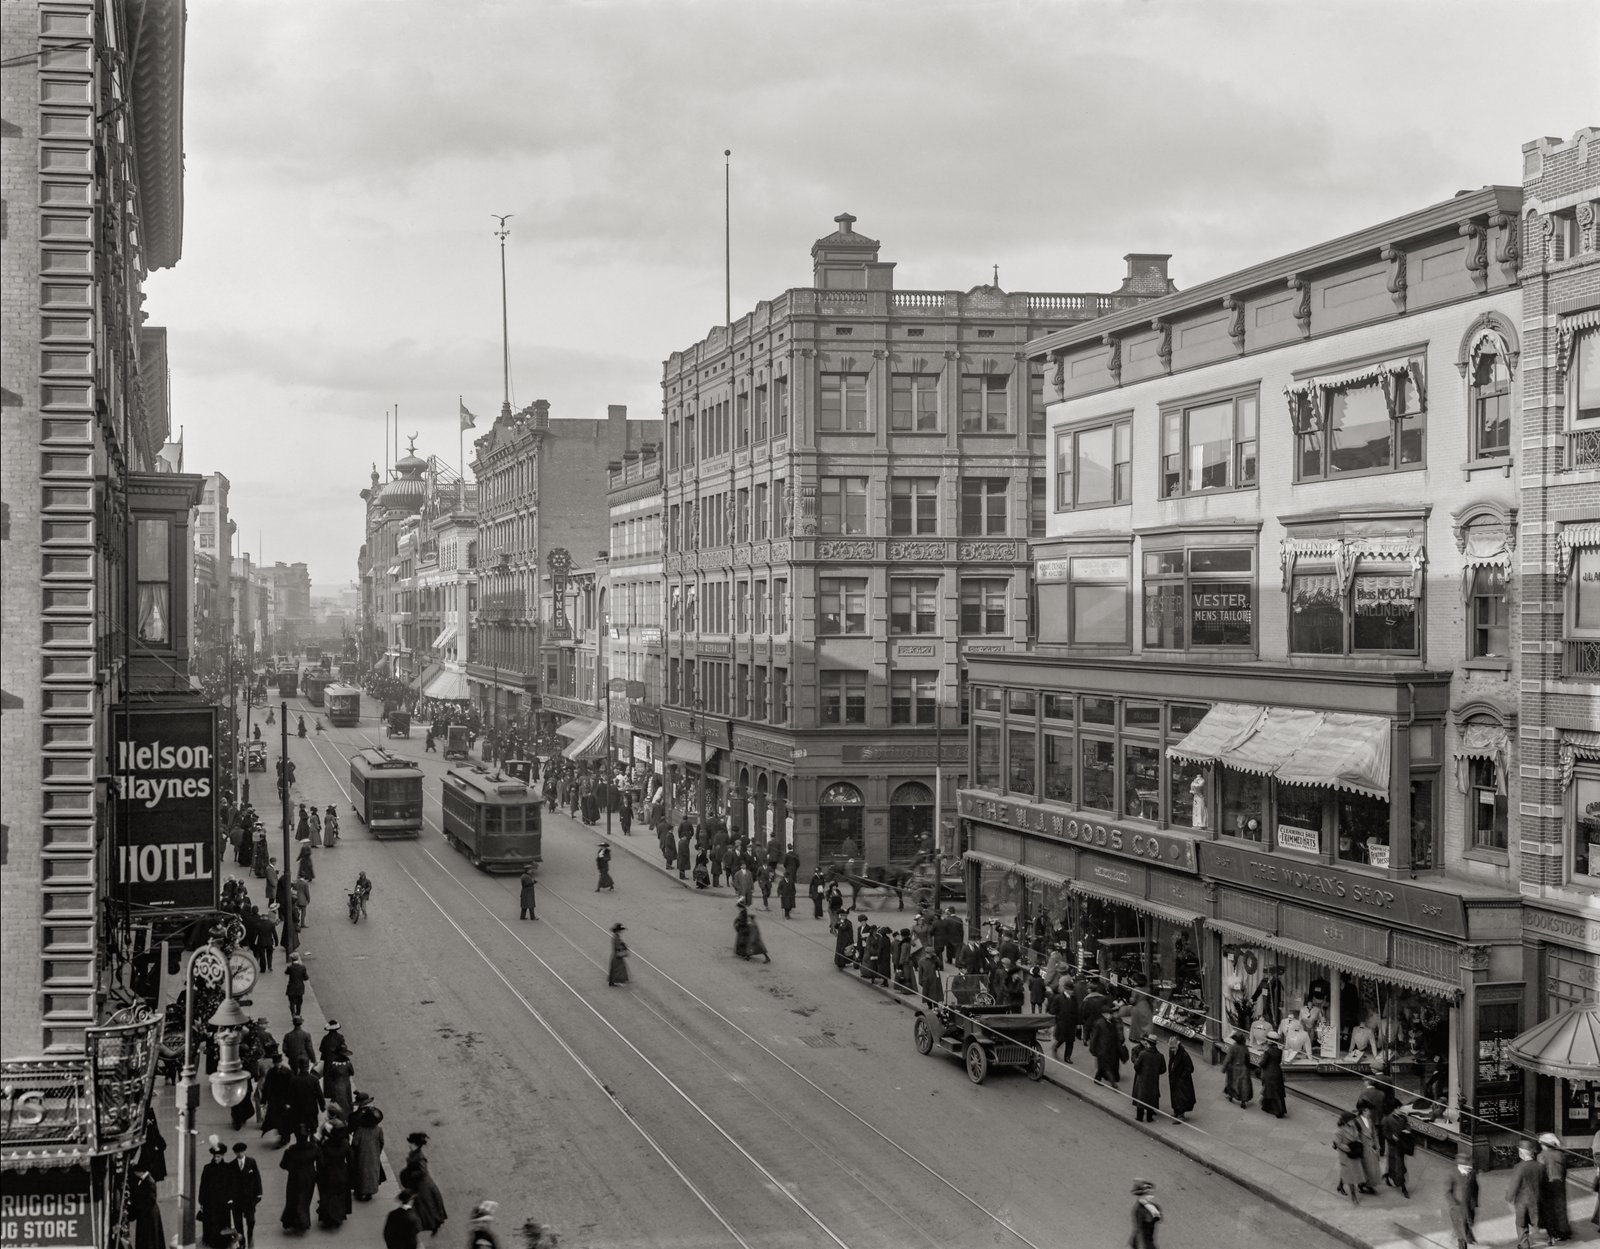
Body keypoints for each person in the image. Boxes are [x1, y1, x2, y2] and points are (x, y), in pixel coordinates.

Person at [398, 1134, 448, 1238]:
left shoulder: (420, 1157)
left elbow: (423, 1171)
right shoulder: (414, 1153)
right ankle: (429, 1224)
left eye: (411, 1143)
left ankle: (432, 1224)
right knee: (423, 1205)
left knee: (426, 1205)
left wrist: (411, 1174)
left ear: (416, 1145)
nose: (409, 1145)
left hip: (423, 1185)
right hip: (417, 1183)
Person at [279, 1129, 321, 1234]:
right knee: (305, 1200)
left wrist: (290, 1168)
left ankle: (295, 1220)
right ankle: (302, 1220)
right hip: (309, 1177)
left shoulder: (291, 1151)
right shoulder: (314, 1149)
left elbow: (283, 1165)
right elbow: (321, 1163)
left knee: (293, 1199)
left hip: (295, 1177)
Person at [316, 1123, 353, 1228]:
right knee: (340, 1196)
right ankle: (338, 1216)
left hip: (328, 1173)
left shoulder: (326, 1144)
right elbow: (351, 1160)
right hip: (341, 1172)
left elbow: (321, 1161)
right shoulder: (345, 1144)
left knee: (329, 1196)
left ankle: (329, 1216)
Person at [200, 1138, 235, 1247]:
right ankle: (211, 1241)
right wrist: (201, 1201)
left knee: (223, 1222)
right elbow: (203, 1186)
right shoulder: (207, 1168)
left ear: (222, 1156)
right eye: (215, 1156)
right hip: (210, 1202)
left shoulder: (228, 1168)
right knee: (211, 1222)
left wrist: (230, 1198)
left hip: (223, 1202)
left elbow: (231, 1185)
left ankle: (224, 1241)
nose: (216, 1158)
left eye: (218, 1156)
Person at [1507, 1140, 1542, 1249]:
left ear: (1521, 1153)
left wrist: (1509, 1198)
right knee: (1536, 1221)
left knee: (1521, 1225)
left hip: (1522, 1202)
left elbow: (1514, 1185)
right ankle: (1549, 1237)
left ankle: (1524, 1245)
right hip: (1536, 1201)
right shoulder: (1540, 1166)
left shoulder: (1519, 1167)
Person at [1539, 1132, 1573, 1242]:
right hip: (1560, 1184)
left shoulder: (1542, 1156)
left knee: (1549, 1209)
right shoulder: (1561, 1155)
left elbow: (1540, 1172)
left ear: (1545, 1145)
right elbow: (1565, 1170)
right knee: (1561, 1207)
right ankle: (1563, 1231)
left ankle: (1553, 1231)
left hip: (1548, 1185)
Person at [351, 1095, 386, 1201]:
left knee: (361, 1173)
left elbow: (355, 1143)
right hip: (374, 1155)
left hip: (361, 1155)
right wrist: (377, 1151)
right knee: (372, 1173)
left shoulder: (360, 1130)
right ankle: (370, 1192)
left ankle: (360, 1191)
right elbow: (381, 1142)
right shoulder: (378, 1130)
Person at [1444, 1153, 1478, 1249]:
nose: (1470, 1167)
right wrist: (1454, 1205)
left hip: (1469, 1207)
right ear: (1461, 1165)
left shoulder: (1472, 1173)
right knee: (1461, 1231)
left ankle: (1462, 1235)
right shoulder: (1451, 1174)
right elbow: (1447, 1192)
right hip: (1458, 1209)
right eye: (1468, 1165)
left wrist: (1475, 1202)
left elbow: (1475, 1187)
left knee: (1468, 1225)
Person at [128, 1164, 165, 1249]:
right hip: (147, 1215)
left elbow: (151, 1200)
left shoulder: (149, 1181)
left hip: (149, 1216)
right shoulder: (146, 1180)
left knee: (149, 1239)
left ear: (139, 1172)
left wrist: (138, 1207)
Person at [1131, 1037, 1167, 1124]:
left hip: (1142, 1079)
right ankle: (1149, 1117)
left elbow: (1136, 1066)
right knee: (1151, 1098)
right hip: (1153, 1080)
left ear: (1149, 1044)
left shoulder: (1143, 1054)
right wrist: (1156, 1072)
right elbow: (1163, 1069)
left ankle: (1140, 1117)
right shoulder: (1160, 1056)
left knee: (1141, 1096)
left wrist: (1141, 1072)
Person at [1333, 1112, 1365, 1204]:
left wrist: (1359, 1146)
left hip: (1354, 1153)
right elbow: (1338, 1143)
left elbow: (1357, 1138)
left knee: (1347, 1172)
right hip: (1346, 1155)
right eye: (1350, 1120)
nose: (1352, 1122)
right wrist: (1348, 1149)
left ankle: (1340, 1185)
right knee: (1351, 1176)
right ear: (1345, 1121)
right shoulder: (1339, 1131)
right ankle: (1353, 1197)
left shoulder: (1353, 1127)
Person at [1046, 979, 1078, 1062]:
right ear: (1066, 989)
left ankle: (1067, 1057)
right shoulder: (1058, 998)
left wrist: (1078, 1022)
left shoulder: (1074, 998)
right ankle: (1055, 1047)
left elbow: (1076, 1010)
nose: (1072, 992)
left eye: (1072, 990)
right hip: (1062, 1022)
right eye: (1071, 990)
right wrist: (1058, 1017)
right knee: (1061, 1039)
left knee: (1070, 1041)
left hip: (1071, 1022)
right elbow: (1052, 1010)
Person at [1166, 1037, 1196, 1122]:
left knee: (1181, 1098)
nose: (1172, 1049)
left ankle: (1181, 1115)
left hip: (1181, 1081)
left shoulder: (1184, 1055)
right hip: (1174, 1079)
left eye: (1173, 1047)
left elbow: (1190, 1068)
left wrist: (1182, 1076)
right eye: (1171, 1048)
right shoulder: (1172, 1052)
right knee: (1175, 1097)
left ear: (1177, 1044)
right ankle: (1177, 1112)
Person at [1087, 1010, 1122, 1087]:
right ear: (1104, 1014)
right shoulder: (1099, 1023)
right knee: (1106, 1067)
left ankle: (1097, 1079)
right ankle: (1113, 1083)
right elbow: (1094, 1037)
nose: (1111, 1015)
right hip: (1101, 1049)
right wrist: (1092, 1049)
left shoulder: (1110, 1022)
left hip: (1107, 1049)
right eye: (1109, 1014)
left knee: (1102, 1066)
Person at [1259, 1033, 1287, 1119]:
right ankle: (1271, 1108)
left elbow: (1263, 1063)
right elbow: (1278, 1061)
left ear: (1271, 1041)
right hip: (1278, 1072)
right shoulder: (1280, 1051)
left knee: (1269, 1091)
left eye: (1268, 1040)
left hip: (1269, 1073)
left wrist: (1260, 1062)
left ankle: (1276, 1110)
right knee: (1277, 1092)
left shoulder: (1267, 1051)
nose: (1267, 1041)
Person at [1222, 1030, 1253, 1108]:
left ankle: (1230, 1096)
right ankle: (1243, 1102)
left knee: (1232, 1083)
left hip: (1233, 1069)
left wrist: (1224, 1068)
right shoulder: (1245, 1048)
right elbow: (1247, 1059)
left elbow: (1228, 1058)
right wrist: (1248, 1068)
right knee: (1243, 1086)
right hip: (1243, 1069)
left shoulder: (1232, 1047)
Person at [1128, 1178, 1161, 1249]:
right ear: (1142, 1195)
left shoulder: (1153, 1206)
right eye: (1149, 1194)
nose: (1152, 1196)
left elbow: (1158, 1218)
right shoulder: (1139, 1211)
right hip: (1142, 1243)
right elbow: (1140, 1230)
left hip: (1148, 1240)